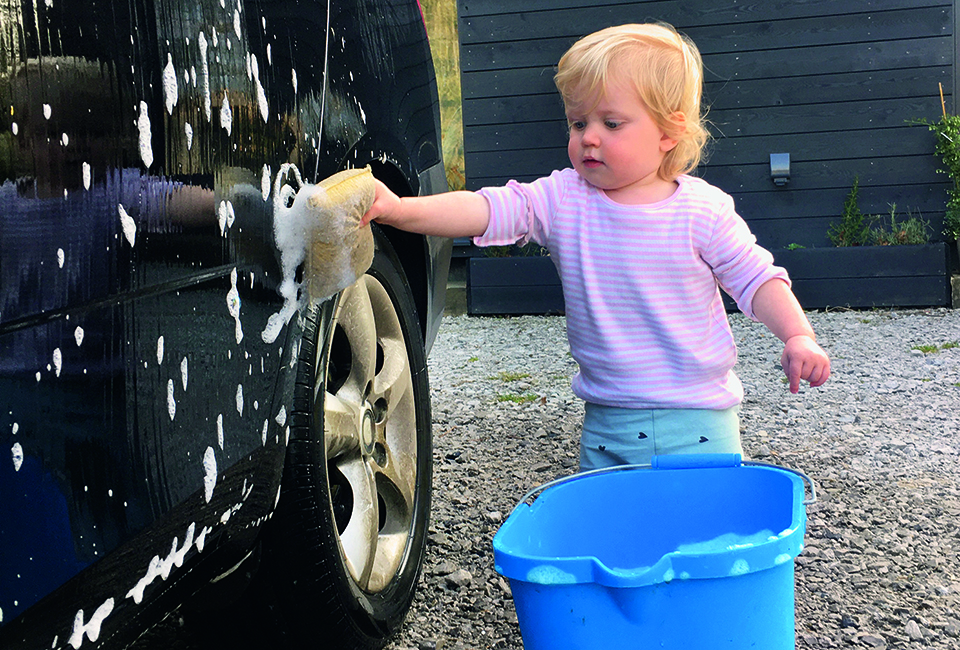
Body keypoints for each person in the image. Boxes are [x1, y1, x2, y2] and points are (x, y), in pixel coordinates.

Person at [362, 22, 830, 470]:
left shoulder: (703, 211)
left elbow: (757, 278)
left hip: (701, 421)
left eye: (611, 122)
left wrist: (797, 334)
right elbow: (484, 209)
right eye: (577, 122)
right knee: (612, 535)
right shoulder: (564, 198)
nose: (588, 137)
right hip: (607, 421)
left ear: (669, 132)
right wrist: (399, 209)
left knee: (702, 533)